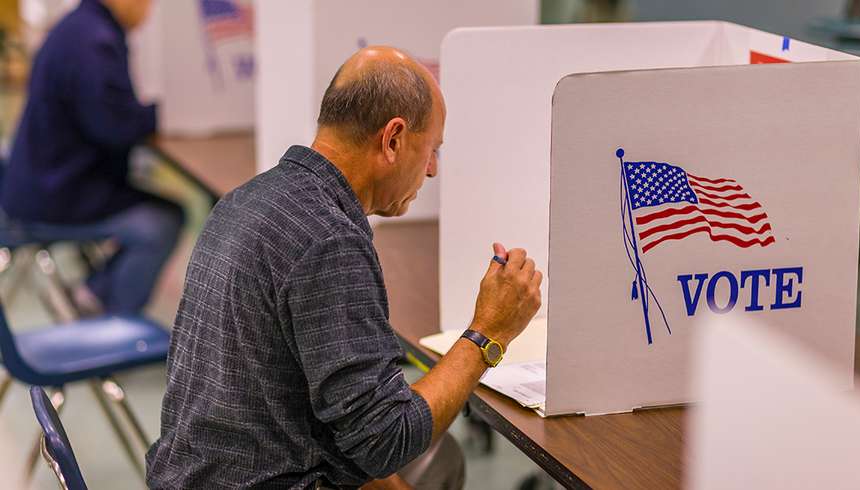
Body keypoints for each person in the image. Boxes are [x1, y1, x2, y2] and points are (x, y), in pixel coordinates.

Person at [145, 46, 543, 489]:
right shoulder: (329, 240)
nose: (431, 170)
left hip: (199, 472)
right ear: (393, 139)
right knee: (429, 458)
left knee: (429, 460)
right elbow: (386, 440)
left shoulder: (249, 198)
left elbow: (350, 425)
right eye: (431, 150)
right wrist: (489, 331)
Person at [0, 0, 183, 315]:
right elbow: (115, 127)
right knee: (161, 222)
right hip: (51, 199)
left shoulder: (80, 27)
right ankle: (109, 320)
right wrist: (170, 113)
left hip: (41, 184)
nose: (149, 10)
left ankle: (91, 295)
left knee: (153, 206)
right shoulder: (93, 41)